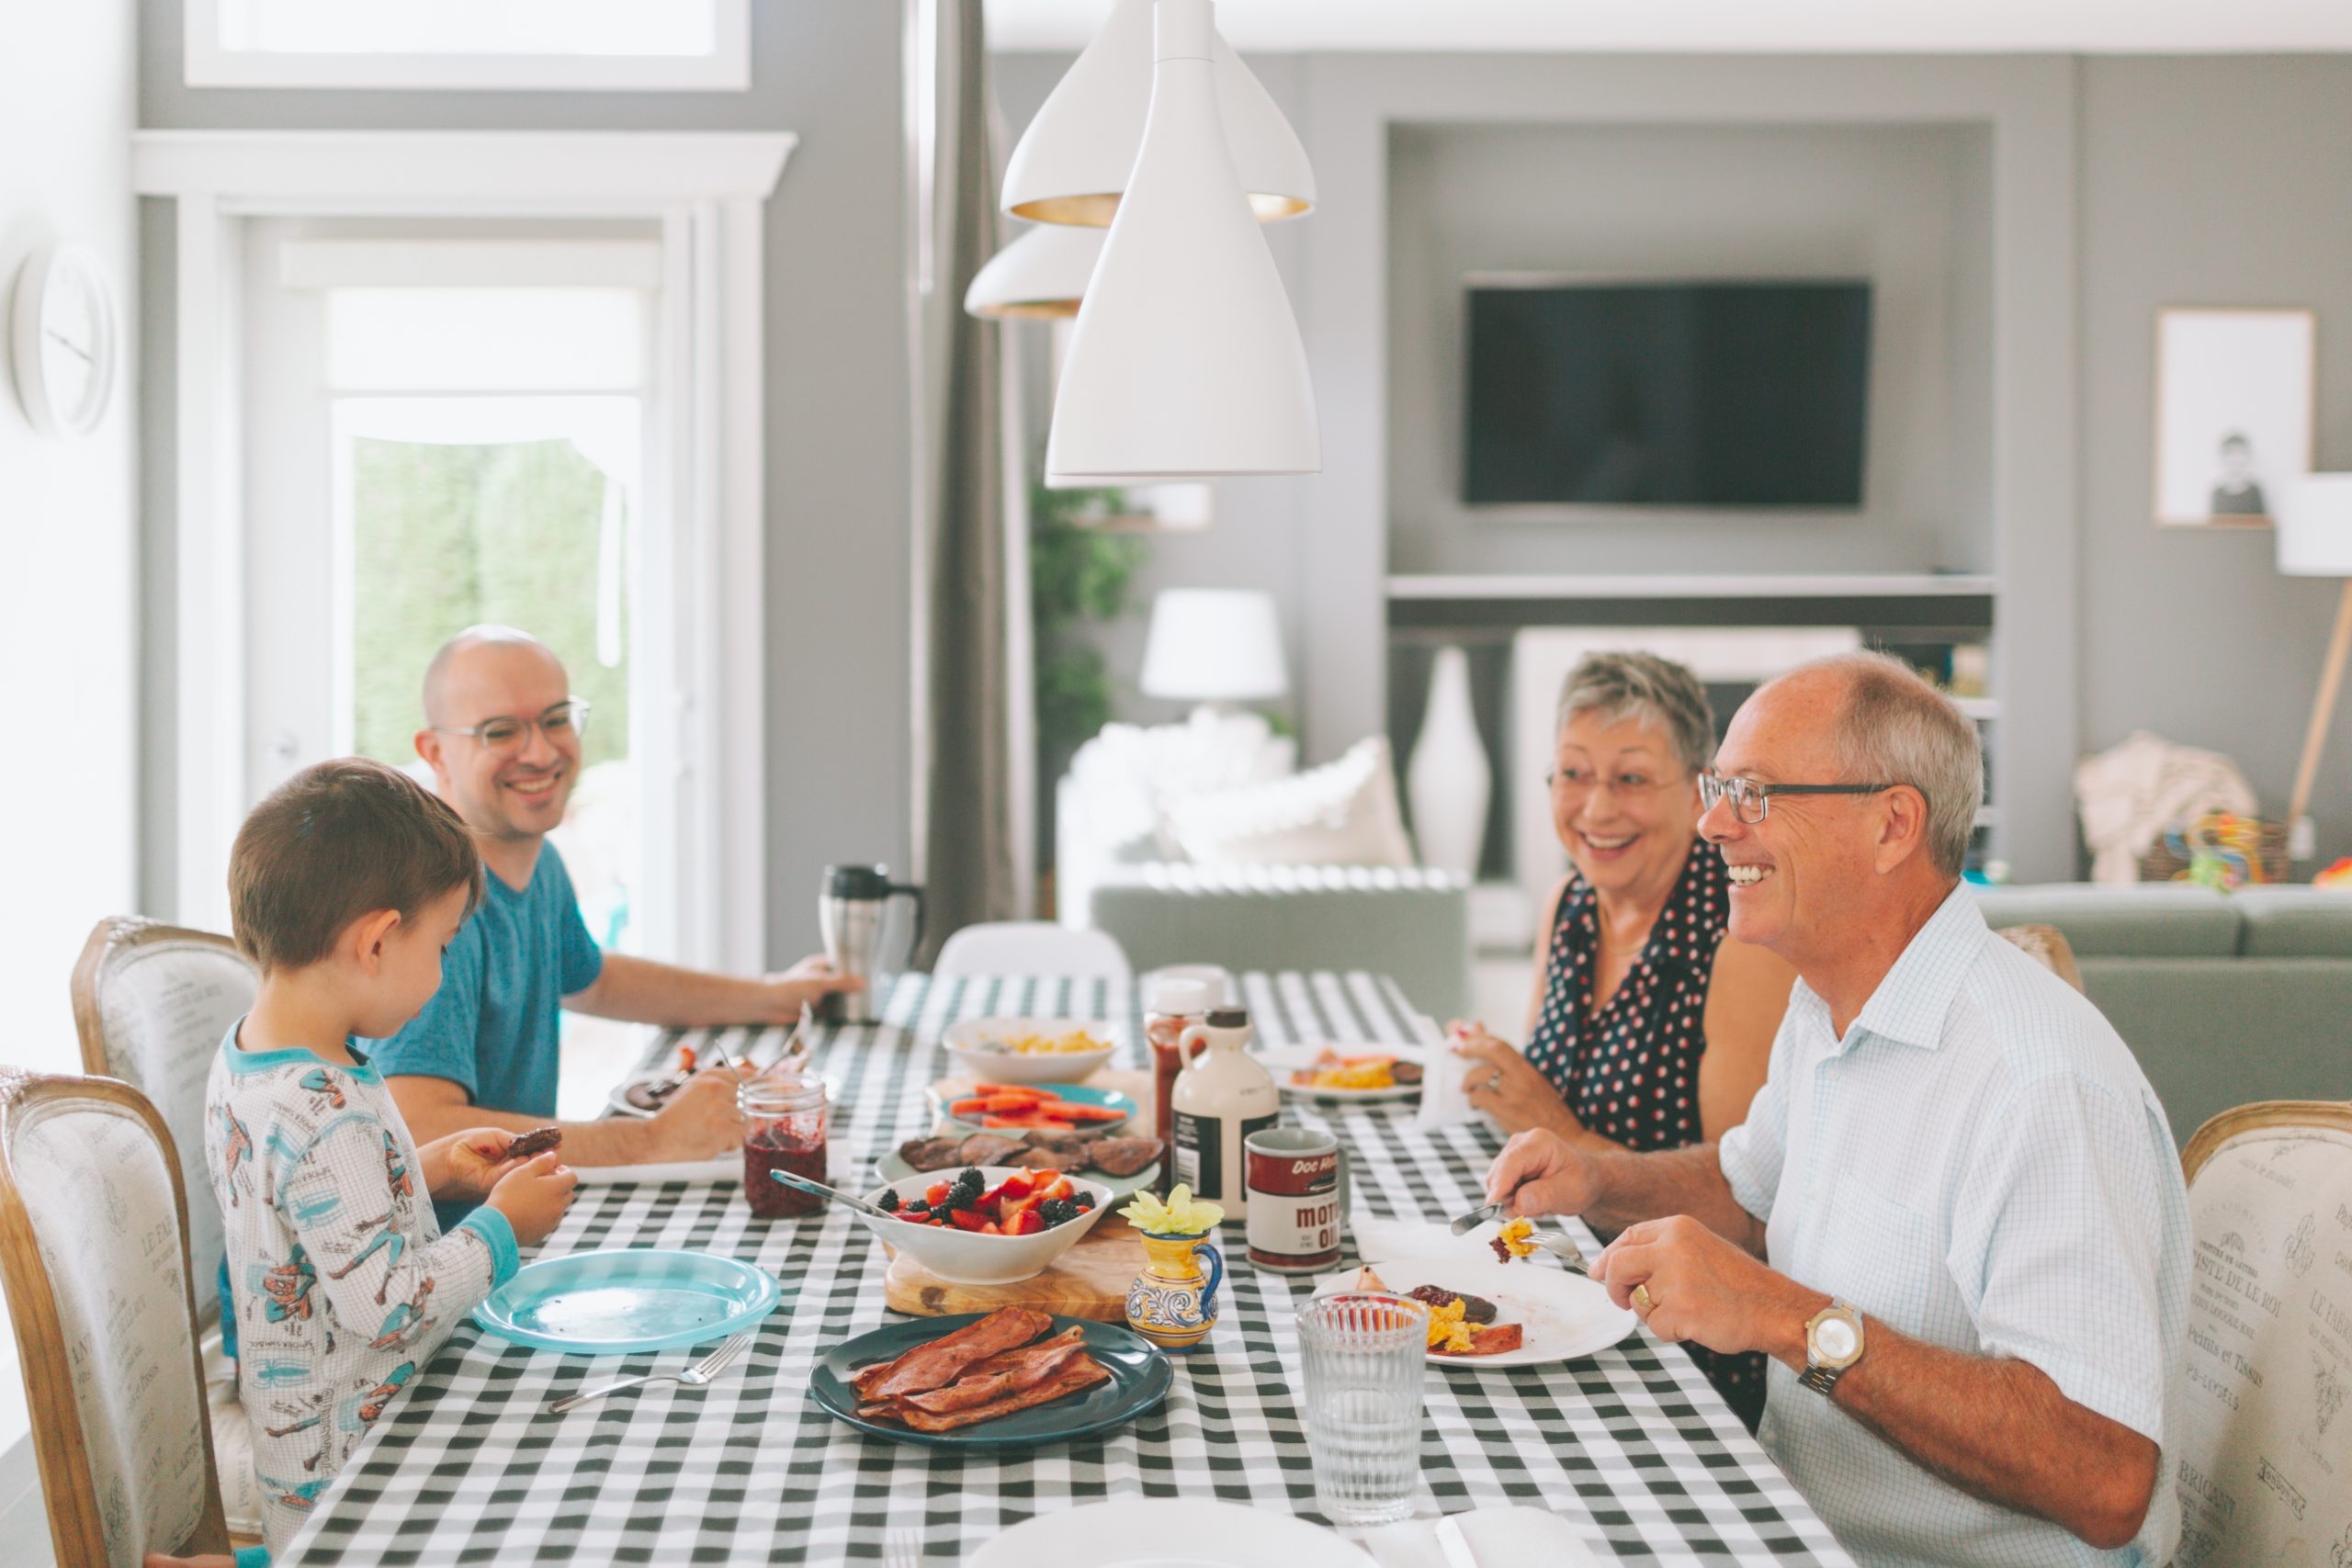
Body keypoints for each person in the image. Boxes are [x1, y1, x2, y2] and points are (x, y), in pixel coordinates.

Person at [1484, 652, 2189, 1566]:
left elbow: (2104, 1479)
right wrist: (1597, 1177)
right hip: (1795, 1524)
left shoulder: (2037, 1083)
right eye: (1715, 789)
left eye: (1752, 794)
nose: (1710, 824)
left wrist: (1784, 1318)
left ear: (1893, 824)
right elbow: (1751, 1192)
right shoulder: (1824, 1008)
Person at [205, 760, 578, 1557]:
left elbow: (310, 1208)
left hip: (306, 1436)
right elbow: (389, 1307)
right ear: (377, 941)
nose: (444, 968)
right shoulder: (324, 1111)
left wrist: (432, 1164)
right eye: (442, 944)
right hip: (362, 1474)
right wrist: (503, 1228)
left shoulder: (256, 1057)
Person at [369, 626, 860, 1221]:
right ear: (434, 752)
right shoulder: (438, 905)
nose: (542, 751)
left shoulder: (536, 861)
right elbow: (417, 1125)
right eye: (500, 731)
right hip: (446, 1262)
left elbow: (595, 979)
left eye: (555, 719)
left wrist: (771, 997)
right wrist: (650, 1140)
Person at [1447, 651, 1793, 1427]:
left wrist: (1562, 1132)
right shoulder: (1570, 904)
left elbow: (1748, 1211)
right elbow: (1545, 1093)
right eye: (1573, 774)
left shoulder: (1736, 939)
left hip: (1681, 1350)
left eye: (1631, 778)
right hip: (1569, 1295)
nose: (1596, 808)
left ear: (1702, 789)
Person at [2210, 431, 2267, 517]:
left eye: (2240, 453)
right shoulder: (2217, 493)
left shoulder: (2255, 492)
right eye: (2231, 453)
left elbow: (2263, 524)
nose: (2235, 459)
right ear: (2224, 457)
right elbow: (2214, 525)